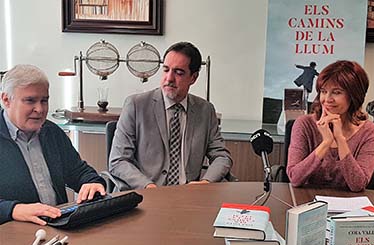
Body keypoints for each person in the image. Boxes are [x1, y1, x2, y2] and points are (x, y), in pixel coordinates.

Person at [109, 42, 232, 189]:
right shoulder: (136, 105)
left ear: (193, 78)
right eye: (166, 70)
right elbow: (118, 161)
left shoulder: (205, 110)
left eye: (178, 72)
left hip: (188, 197)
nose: (169, 79)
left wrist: (206, 183)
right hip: (145, 194)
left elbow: (222, 156)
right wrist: (148, 186)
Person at [0, 64, 106, 225]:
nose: (40, 109)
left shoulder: (51, 132)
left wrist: (92, 182)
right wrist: (14, 209)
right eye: (30, 101)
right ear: (6, 100)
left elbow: (77, 171)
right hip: (12, 235)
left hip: (58, 227)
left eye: (44, 100)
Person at [287, 60, 374, 192]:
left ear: (354, 95)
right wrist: (326, 143)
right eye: (323, 91)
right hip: (307, 203)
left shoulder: (370, 132)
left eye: (337, 92)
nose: (327, 99)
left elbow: (358, 185)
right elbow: (295, 178)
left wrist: (339, 139)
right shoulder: (304, 124)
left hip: (351, 206)